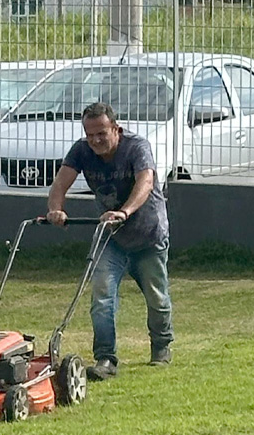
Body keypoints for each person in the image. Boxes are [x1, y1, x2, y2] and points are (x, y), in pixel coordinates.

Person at [46, 101, 172, 380]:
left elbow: (146, 183)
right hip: (110, 236)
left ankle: (161, 347)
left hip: (147, 234)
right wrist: (55, 209)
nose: (95, 141)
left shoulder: (137, 147)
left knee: (156, 296)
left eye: (101, 134)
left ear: (116, 128)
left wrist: (124, 212)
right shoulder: (81, 151)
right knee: (102, 297)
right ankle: (105, 358)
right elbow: (60, 184)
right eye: (90, 135)